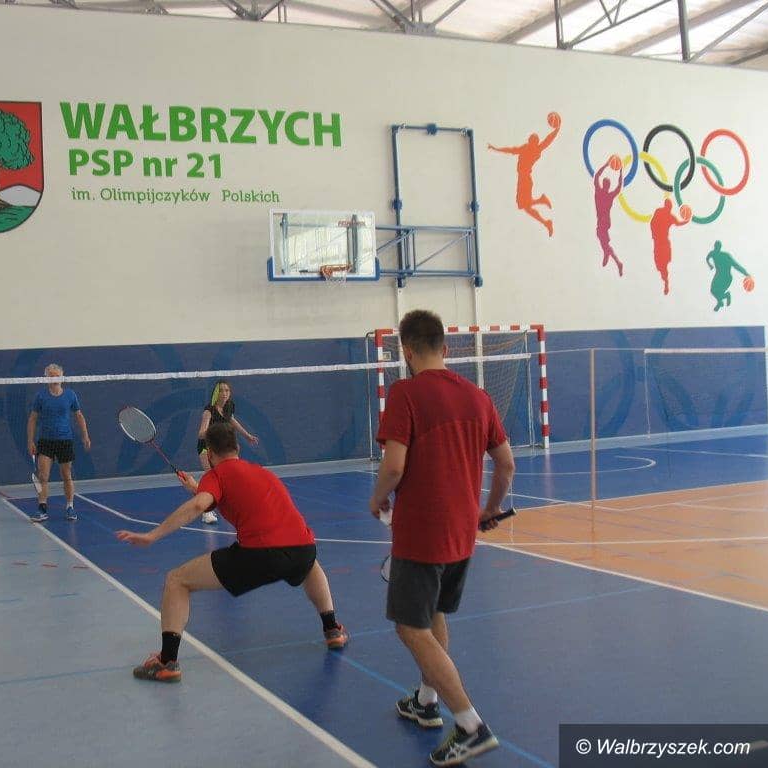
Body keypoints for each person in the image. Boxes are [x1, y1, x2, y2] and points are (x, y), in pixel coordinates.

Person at [369, 310, 515, 767]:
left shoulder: (405, 393)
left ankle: (470, 726)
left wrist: (378, 499)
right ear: (446, 348)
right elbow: (506, 463)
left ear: (406, 351)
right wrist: (490, 509)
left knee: (410, 628)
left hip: (421, 534)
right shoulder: (478, 396)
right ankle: (426, 701)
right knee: (432, 614)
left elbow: (394, 466)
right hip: (462, 536)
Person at [117, 422, 348, 683]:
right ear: (237, 447)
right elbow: (228, 494)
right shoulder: (261, 472)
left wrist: (152, 535)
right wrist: (197, 487)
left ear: (209, 454)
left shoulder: (215, 475)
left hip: (261, 555)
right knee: (310, 566)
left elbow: (199, 506)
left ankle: (167, 662)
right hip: (304, 548)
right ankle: (332, 630)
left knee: (176, 580)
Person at [26, 363, 91, 522]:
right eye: (51, 376)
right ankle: (42, 509)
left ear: (62, 377)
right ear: (46, 378)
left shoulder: (70, 395)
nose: (54, 378)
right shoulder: (40, 396)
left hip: (64, 440)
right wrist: (30, 441)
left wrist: (85, 436)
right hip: (45, 441)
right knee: (43, 476)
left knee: (67, 476)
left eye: (57, 375)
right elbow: (33, 419)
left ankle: (70, 507)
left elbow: (79, 416)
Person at [195, 379, 259, 524]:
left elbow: (232, 420)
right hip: (206, 447)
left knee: (232, 476)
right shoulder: (209, 410)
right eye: (221, 390)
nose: (224, 393)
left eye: (227, 390)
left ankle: (236, 506)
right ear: (216, 393)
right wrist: (216, 432)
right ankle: (207, 512)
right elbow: (201, 434)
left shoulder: (229, 407)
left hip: (222, 447)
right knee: (211, 478)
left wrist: (247, 435)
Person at [488, 112, 561, 237]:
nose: (530, 141)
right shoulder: (534, 149)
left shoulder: (528, 149)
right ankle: (545, 218)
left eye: (531, 140)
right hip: (523, 179)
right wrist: (557, 130)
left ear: (532, 141)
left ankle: (542, 204)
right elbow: (547, 141)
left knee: (524, 205)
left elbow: (511, 150)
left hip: (525, 179)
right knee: (524, 206)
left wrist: (495, 149)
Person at [649, 198, 689, 295]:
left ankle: (666, 282)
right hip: (659, 243)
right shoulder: (659, 212)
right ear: (666, 206)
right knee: (660, 265)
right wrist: (654, 234)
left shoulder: (670, 216)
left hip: (663, 244)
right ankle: (665, 279)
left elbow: (678, 223)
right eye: (669, 206)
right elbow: (652, 223)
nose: (669, 208)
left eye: (670, 207)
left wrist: (687, 220)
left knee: (663, 264)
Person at [594, 157, 624, 276]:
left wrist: (606, 165)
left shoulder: (599, 192)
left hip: (602, 222)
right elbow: (619, 187)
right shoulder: (609, 196)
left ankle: (618, 262)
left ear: (603, 184)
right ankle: (607, 254)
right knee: (602, 241)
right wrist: (620, 173)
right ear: (608, 186)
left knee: (605, 244)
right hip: (605, 222)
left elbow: (596, 176)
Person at [705, 240, 750, 312]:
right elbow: (707, 258)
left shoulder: (726, 256)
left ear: (720, 247)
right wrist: (710, 265)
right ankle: (723, 299)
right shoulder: (713, 253)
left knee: (718, 291)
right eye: (715, 247)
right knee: (713, 290)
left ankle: (722, 299)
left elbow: (736, 265)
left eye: (718, 247)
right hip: (718, 276)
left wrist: (746, 273)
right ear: (714, 247)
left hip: (726, 277)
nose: (716, 249)